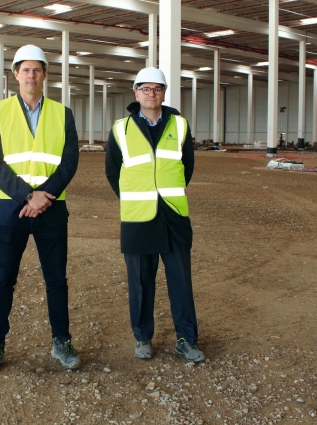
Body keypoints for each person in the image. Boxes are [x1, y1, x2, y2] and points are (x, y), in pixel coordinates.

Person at [0, 44, 81, 376]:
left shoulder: (62, 113)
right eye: (25, 69)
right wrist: (28, 196)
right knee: (3, 280)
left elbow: (69, 163)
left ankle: (61, 342)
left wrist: (45, 196)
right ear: (15, 74)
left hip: (51, 210)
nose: (31, 75)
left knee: (56, 281)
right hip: (11, 210)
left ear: (45, 74)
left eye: (37, 69)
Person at [105, 67, 206, 363]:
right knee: (140, 281)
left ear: (164, 93)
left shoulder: (180, 126)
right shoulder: (121, 129)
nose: (152, 94)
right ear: (136, 94)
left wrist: (166, 192)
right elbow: (113, 171)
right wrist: (134, 198)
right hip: (138, 218)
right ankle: (143, 337)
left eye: (157, 89)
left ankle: (186, 339)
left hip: (173, 216)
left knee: (181, 281)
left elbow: (186, 167)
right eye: (146, 89)